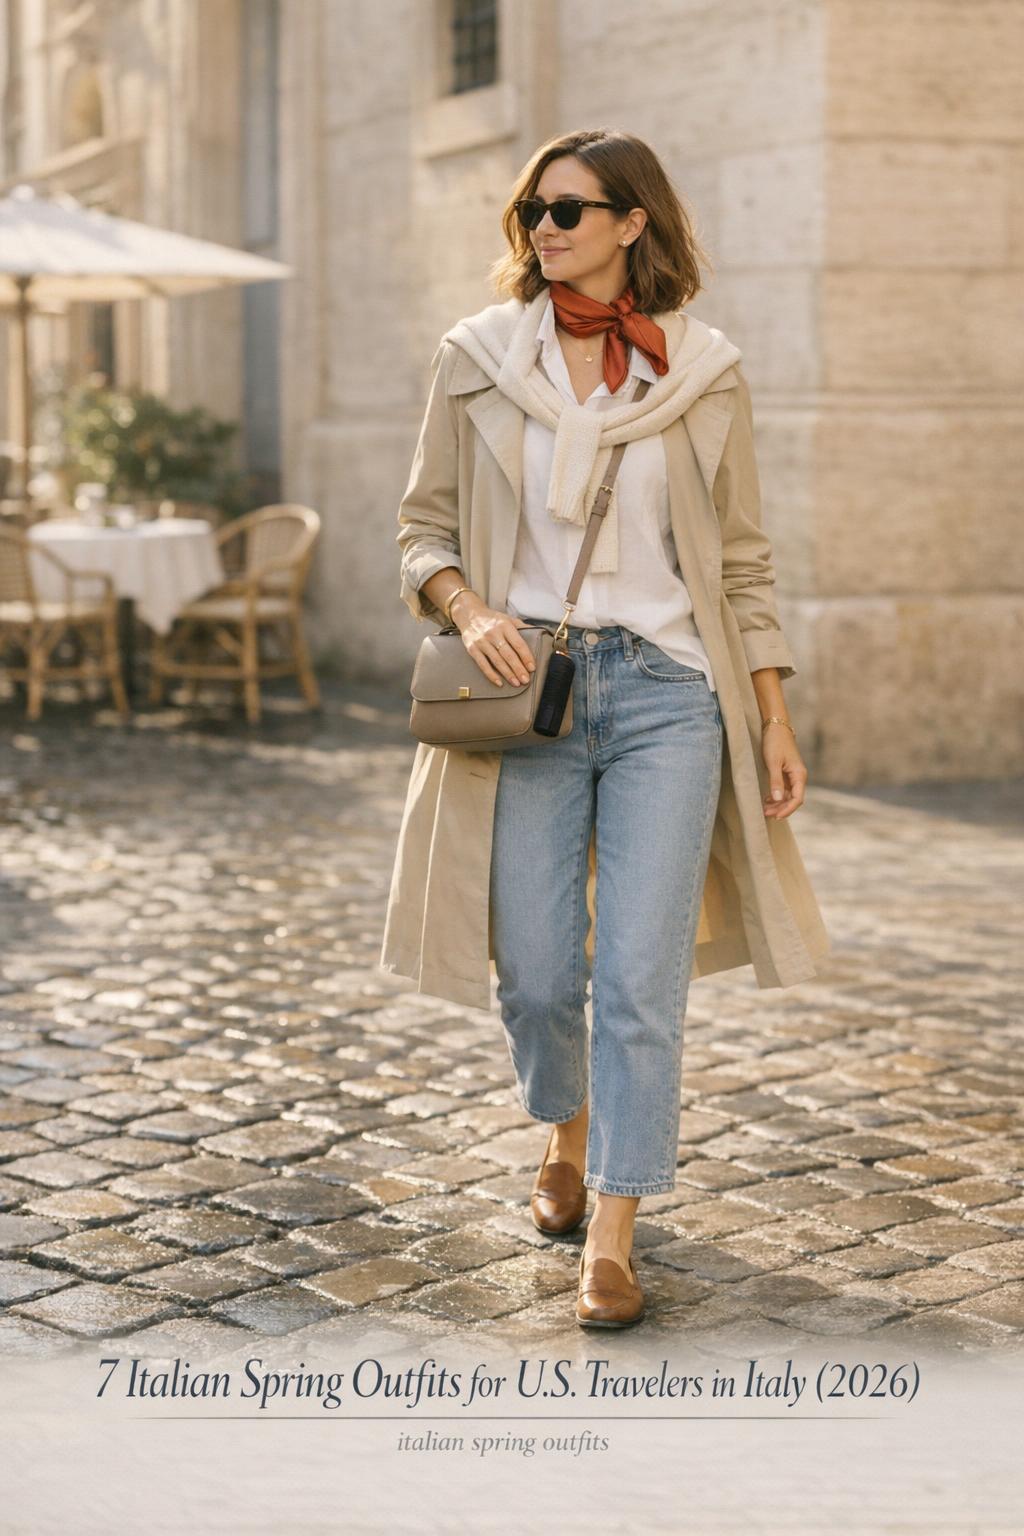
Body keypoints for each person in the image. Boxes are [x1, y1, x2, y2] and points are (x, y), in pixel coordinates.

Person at [382, 128, 830, 1329]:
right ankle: (565, 1132)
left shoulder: (702, 371)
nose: (544, 227)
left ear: (633, 222)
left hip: (670, 694)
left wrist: (772, 715)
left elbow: (740, 562)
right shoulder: (478, 359)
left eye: (570, 209)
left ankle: (616, 1234)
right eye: (533, 209)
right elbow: (420, 531)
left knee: (637, 976)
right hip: (530, 691)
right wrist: (471, 610)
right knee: (536, 974)